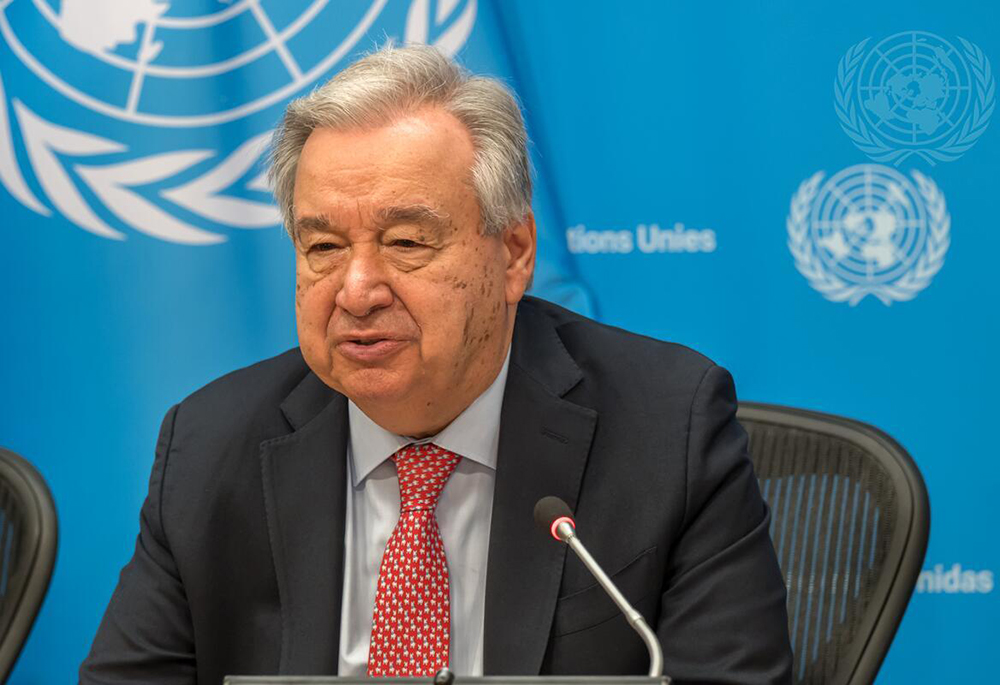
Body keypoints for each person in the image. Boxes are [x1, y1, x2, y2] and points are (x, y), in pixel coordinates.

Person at [80, 45, 792, 685]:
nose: (357, 291)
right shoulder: (209, 444)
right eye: (323, 248)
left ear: (512, 253)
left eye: (407, 242)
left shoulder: (668, 427)